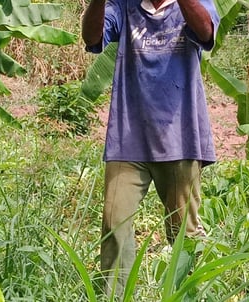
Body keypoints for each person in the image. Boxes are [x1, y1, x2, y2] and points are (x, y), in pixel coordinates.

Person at [82, 0, 219, 297]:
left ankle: (192, 293)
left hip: (181, 139)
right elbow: (92, 38)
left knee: (184, 233)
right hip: (128, 140)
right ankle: (113, 297)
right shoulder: (124, 6)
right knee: (114, 225)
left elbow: (206, 32)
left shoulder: (196, 4)